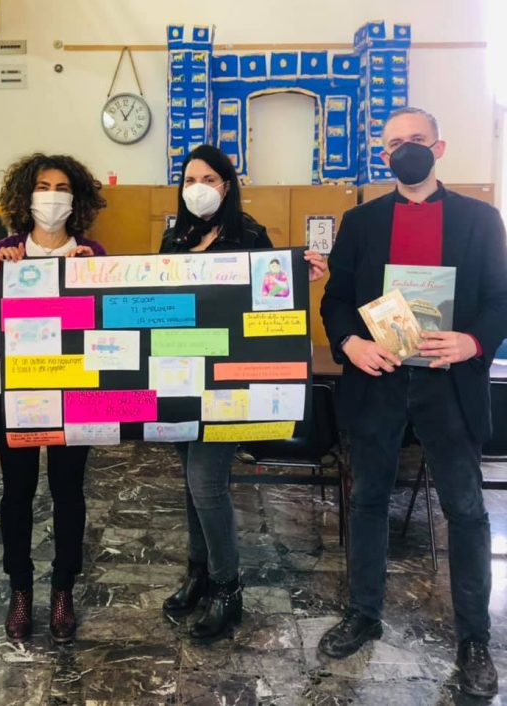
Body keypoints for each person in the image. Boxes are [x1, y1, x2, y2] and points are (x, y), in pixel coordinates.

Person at [319, 107, 507, 699]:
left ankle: (474, 638)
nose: (407, 149)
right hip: (378, 380)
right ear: (384, 155)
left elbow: (501, 298)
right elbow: (336, 300)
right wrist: (350, 344)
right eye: (395, 143)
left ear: (439, 147)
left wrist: (473, 340)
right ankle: (364, 613)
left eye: (417, 140)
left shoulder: (480, 219)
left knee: (466, 510)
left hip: (449, 383)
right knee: (367, 501)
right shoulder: (361, 222)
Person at [160, 144, 327, 641]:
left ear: (227, 185)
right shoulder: (174, 238)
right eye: (190, 180)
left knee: (207, 484)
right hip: (178, 377)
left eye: (209, 179)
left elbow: (271, 297)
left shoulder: (251, 235)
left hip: (226, 383)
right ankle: (198, 573)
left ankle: (227, 589)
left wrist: (299, 273)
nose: (198, 188)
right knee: (191, 483)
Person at [0, 153, 106, 643]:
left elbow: (105, 325)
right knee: (17, 492)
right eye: (43, 187)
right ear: (26, 195)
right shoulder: (5, 250)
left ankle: (62, 589)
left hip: (73, 388)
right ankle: (19, 589)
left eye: (62, 188)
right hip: (13, 390)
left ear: (76, 199)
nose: (52, 197)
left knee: (68, 491)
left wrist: (89, 279)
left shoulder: (91, 251)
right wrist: (3, 277)